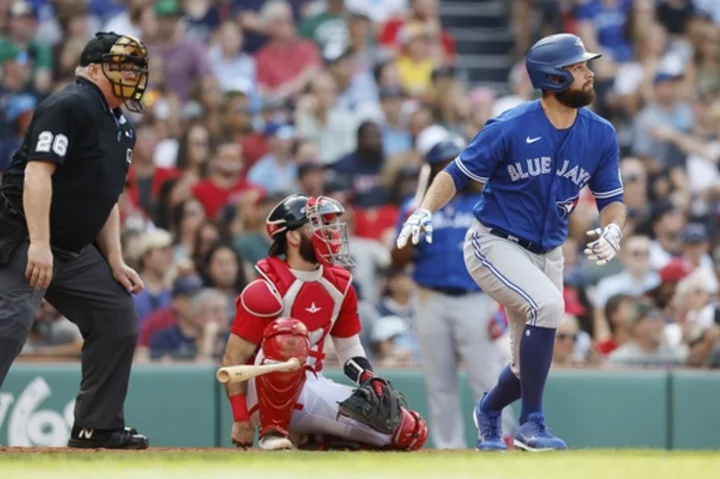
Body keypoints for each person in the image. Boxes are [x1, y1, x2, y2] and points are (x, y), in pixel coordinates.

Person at [397, 33, 627, 452]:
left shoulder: (600, 133)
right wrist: (425, 209)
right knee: (549, 307)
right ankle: (531, 425)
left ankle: (489, 409)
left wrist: (614, 229)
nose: (590, 73)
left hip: (548, 250)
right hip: (493, 243)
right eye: (579, 68)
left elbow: (612, 199)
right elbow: (457, 172)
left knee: (528, 365)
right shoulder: (511, 125)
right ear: (554, 78)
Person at [0, 32, 151, 449]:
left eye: (137, 67)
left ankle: (97, 426)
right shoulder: (70, 104)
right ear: (95, 67)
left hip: (72, 248)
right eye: (124, 66)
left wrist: (116, 259)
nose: (133, 75)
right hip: (20, 236)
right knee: (9, 326)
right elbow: (37, 173)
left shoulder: (121, 124)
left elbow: (108, 197)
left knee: (116, 315)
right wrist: (39, 242)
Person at [221, 194, 428, 451]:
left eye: (330, 223)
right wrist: (240, 419)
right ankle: (273, 431)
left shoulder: (340, 285)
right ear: (293, 236)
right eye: (319, 224)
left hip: (311, 385)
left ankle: (315, 440)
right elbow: (232, 359)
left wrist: (368, 377)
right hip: (261, 396)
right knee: (291, 332)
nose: (330, 232)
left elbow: (349, 349)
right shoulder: (265, 288)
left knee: (410, 432)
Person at [392, 139, 516, 449]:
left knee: (487, 379)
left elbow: (505, 254)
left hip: (475, 297)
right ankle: (449, 448)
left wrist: (499, 306)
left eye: (457, 162)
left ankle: (500, 441)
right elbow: (397, 259)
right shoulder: (418, 207)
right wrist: (413, 219)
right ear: (432, 170)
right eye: (444, 163)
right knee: (439, 383)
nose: (452, 168)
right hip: (430, 298)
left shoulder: (484, 202)